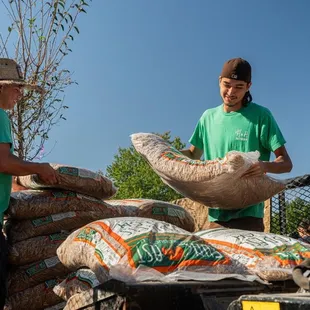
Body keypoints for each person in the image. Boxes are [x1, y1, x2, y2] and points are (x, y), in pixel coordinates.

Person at [181, 57, 293, 232]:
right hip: (215, 216)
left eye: (239, 86)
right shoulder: (207, 118)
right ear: (219, 81)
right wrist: (164, 153)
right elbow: (193, 155)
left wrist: (264, 165)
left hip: (249, 217)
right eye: (227, 84)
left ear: (248, 86)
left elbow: (286, 162)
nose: (231, 92)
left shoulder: (261, 116)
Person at [0, 58, 58, 308]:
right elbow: (3, 161)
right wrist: (39, 169)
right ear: (1, 87)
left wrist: (26, 192)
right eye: (16, 88)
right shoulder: (0, 116)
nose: (20, 94)